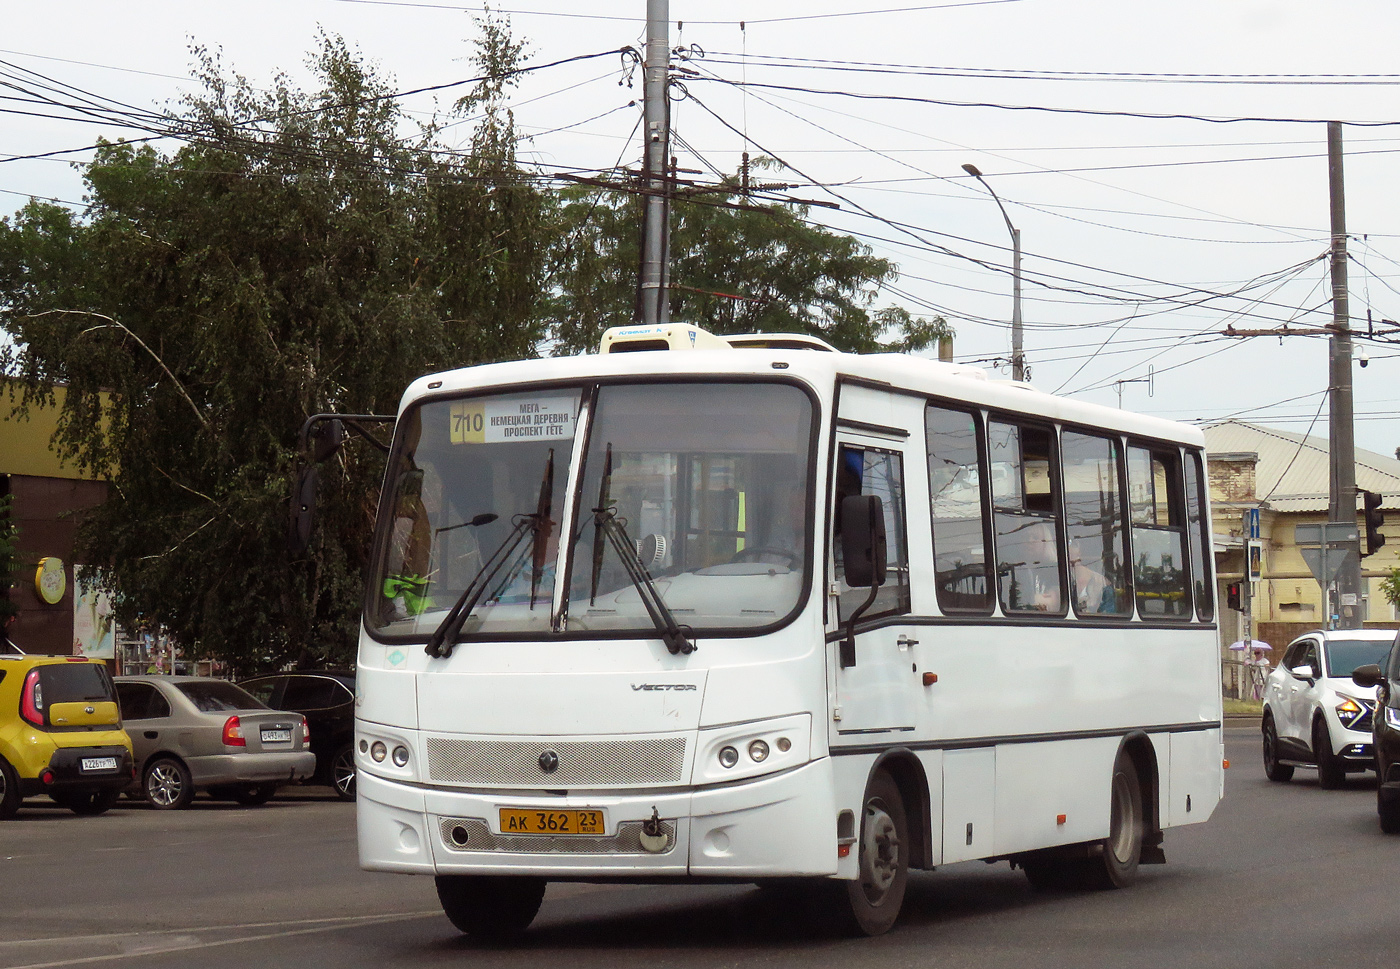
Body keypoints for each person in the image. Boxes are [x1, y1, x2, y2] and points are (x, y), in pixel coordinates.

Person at [1068, 539, 1116, 615]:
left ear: (1080, 551)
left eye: (1073, 544)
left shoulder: (1103, 584)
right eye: (1066, 544)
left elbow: (1108, 620)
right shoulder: (1054, 581)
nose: (1068, 549)